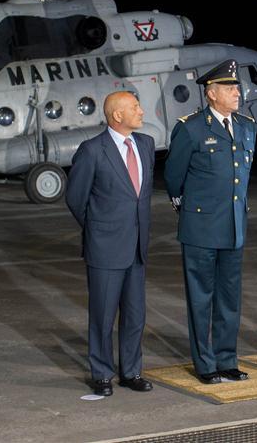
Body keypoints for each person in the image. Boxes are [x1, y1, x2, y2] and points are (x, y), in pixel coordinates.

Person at [164, 59, 256, 384]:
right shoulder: (191, 128)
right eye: (229, 87)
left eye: (236, 86)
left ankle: (227, 359)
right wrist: (189, 211)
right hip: (201, 228)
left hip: (233, 228)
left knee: (229, 299)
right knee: (201, 300)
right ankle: (205, 364)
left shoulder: (247, 126)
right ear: (211, 93)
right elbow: (173, 178)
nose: (237, 92)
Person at [66, 91, 155, 396]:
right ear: (117, 115)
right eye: (135, 107)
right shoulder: (92, 150)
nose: (142, 111)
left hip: (137, 246)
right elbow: (76, 199)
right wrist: (99, 229)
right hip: (105, 248)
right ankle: (102, 373)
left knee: (135, 315)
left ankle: (131, 371)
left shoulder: (146, 145)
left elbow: (139, 196)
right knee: (103, 315)